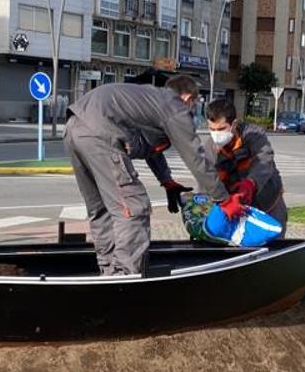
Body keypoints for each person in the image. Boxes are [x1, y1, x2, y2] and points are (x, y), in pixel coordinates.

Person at [64, 75, 226, 276]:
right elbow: (196, 158)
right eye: (194, 104)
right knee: (133, 208)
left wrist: (166, 180)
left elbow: (149, 146)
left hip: (73, 127)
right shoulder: (175, 106)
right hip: (100, 132)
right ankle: (124, 279)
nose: (192, 111)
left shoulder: (147, 100)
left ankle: (108, 272)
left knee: (104, 209)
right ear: (187, 98)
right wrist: (223, 199)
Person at [204, 98, 288, 231]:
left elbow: (264, 161)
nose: (216, 134)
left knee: (273, 247)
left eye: (221, 128)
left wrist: (250, 184)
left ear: (234, 124)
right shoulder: (209, 149)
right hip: (236, 210)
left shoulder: (253, 136)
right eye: (212, 129)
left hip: (269, 206)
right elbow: (205, 181)